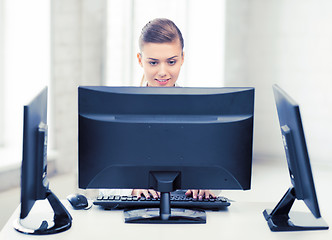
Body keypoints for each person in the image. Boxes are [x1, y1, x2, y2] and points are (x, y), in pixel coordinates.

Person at [131, 18, 218, 200]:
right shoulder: (121, 110)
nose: (163, 72)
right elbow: (102, 183)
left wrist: (205, 183)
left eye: (171, 62)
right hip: (139, 205)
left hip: (188, 205)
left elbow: (220, 171)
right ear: (140, 60)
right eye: (153, 63)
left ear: (182, 58)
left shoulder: (199, 110)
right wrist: (128, 188)